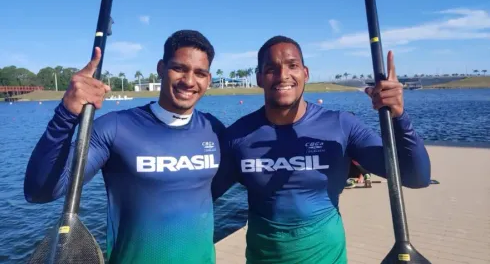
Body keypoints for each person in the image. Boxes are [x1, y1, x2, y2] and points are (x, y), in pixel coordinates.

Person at [212, 35, 431, 264]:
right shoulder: (238, 136)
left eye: (292, 65)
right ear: (259, 78)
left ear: (305, 73)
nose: (283, 75)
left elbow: (416, 176)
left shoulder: (342, 126)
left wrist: (399, 116)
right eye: (271, 68)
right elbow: (199, 196)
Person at [24, 30, 225, 264]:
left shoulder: (214, 129)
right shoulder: (115, 128)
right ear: (161, 68)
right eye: (179, 68)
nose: (189, 81)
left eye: (199, 73)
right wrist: (66, 114)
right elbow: (40, 192)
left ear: (208, 80)